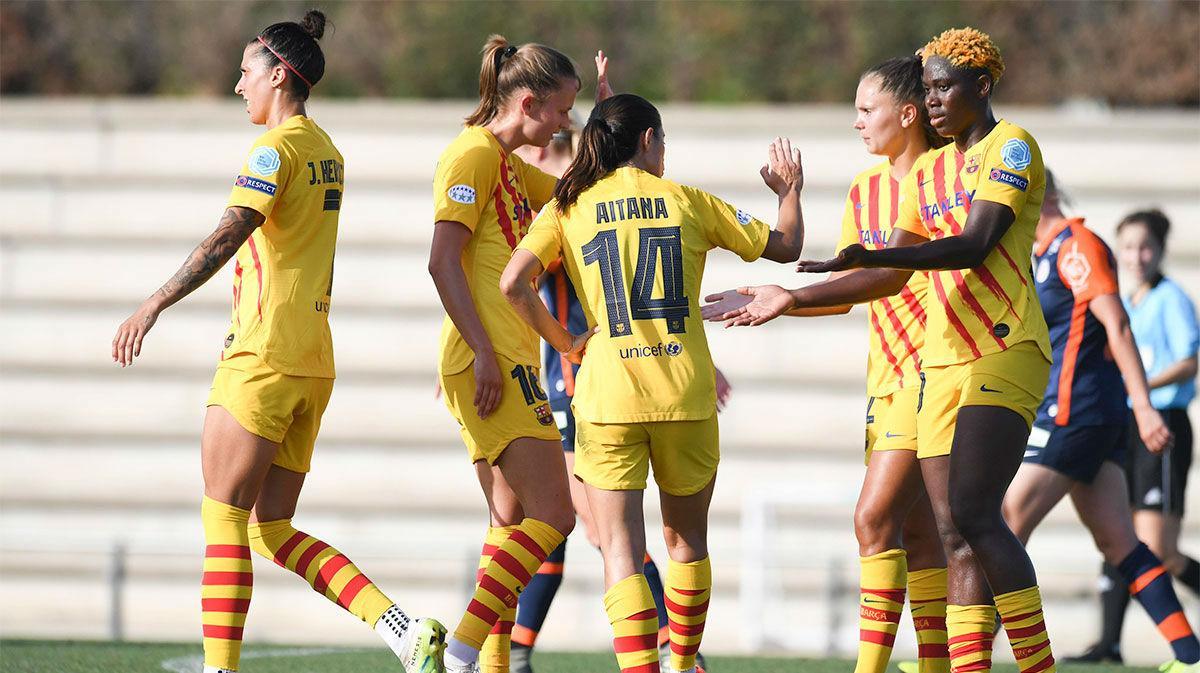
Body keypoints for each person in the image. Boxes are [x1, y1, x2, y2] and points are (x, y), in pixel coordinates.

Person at [710, 27, 1060, 673]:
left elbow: (974, 243)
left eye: (943, 88)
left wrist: (880, 250)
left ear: (981, 87)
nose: (932, 101)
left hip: (1005, 347)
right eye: (925, 88)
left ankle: (1040, 666)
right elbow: (886, 277)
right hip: (940, 361)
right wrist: (790, 296)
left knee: (978, 514)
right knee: (950, 532)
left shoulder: (1011, 146)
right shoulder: (927, 170)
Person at [111, 12, 442, 673]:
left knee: (223, 516)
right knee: (270, 527)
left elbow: (233, 230)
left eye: (245, 73)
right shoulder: (328, 151)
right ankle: (402, 628)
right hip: (312, 359)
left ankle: (219, 668)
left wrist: (154, 301)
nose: (239, 86)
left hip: (261, 354)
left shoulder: (273, 150)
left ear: (278, 75)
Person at [500, 93, 805, 673]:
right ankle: (683, 661)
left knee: (619, 549)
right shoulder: (687, 201)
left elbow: (514, 282)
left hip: (607, 398)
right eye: (663, 140)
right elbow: (786, 246)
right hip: (684, 394)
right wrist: (789, 191)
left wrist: (567, 344)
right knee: (686, 543)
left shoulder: (570, 206)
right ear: (648, 141)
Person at [704, 55, 950, 673]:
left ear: (909, 113)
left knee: (872, 520)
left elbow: (890, 277)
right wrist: (773, 299)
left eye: (867, 109)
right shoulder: (865, 190)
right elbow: (849, 289)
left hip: (936, 374)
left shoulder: (943, 176)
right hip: (885, 380)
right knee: (918, 539)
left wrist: (788, 297)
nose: (857, 121)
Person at [429, 36, 613, 673]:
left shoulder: (505, 164)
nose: (566, 123)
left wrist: (609, 113)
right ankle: (458, 655)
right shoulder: (472, 155)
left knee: (509, 521)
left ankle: (491, 665)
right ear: (529, 102)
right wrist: (480, 350)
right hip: (492, 361)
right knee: (556, 515)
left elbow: (575, 191)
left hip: (505, 358)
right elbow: (441, 262)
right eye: (563, 111)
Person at [510, 128, 713, 673]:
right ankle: (518, 649)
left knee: (598, 530)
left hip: (584, 377)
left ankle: (673, 648)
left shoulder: (571, 207)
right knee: (558, 522)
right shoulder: (577, 202)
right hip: (579, 374)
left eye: (545, 150)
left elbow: (518, 280)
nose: (531, 160)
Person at [1000, 177, 1198, 670]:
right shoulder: (1042, 253)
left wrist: (1145, 407)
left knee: (1004, 522)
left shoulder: (1075, 247)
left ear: (1036, 195)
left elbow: (1118, 326)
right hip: (1087, 415)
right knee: (1119, 542)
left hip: (1075, 414)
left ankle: (962, 655)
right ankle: (1190, 655)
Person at [1070, 208, 1200, 664]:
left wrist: (1141, 386)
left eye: (1145, 247)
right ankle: (1109, 643)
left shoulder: (1172, 299)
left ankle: (1182, 648)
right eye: (1127, 246)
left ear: (1161, 251)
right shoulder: (1128, 300)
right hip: (1126, 423)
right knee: (1117, 531)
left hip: (1161, 426)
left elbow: (1190, 362)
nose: (1136, 256)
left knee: (1159, 551)